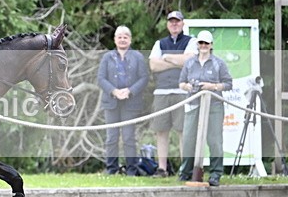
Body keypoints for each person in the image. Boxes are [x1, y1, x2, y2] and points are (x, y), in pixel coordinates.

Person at [177, 30, 233, 186]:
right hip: (193, 104)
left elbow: (228, 84)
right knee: (188, 139)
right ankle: (186, 172)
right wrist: (188, 87)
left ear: (211, 45)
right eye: (201, 43)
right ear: (197, 45)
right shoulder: (189, 63)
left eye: (206, 43)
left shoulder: (219, 63)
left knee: (214, 140)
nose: (203, 46)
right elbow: (181, 83)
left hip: (214, 105)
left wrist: (212, 86)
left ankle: (215, 173)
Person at [148, 10, 198, 177]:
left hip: (182, 91)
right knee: (161, 131)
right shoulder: (159, 43)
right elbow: (153, 66)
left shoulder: (191, 41)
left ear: (183, 23)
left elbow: (189, 61)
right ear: (167, 24)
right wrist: (176, 61)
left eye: (177, 21)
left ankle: (185, 169)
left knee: (183, 131)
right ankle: (162, 169)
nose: (174, 24)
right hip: (161, 92)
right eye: (171, 22)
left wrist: (167, 57)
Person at [97, 25, 149, 175]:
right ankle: (111, 169)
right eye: (119, 37)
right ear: (115, 39)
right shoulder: (107, 57)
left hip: (130, 103)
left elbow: (144, 78)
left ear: (130, 39)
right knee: (111, 137)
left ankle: (132, 169)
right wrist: (114, 91)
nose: (122, 39)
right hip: (111, 102)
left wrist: (130, 91)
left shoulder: (138, 56)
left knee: (128, 137)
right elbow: (101, 78)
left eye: (125, 37)